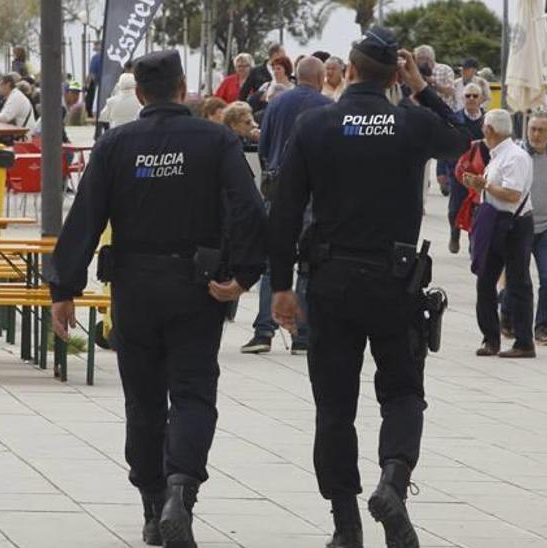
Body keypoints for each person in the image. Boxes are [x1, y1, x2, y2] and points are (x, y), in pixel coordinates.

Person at [47, 49, 265, 547]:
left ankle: (151, 504)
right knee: (192, 393)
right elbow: (251, 208)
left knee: (142, 400)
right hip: (198, 286)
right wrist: (246, 276)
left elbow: (85, 217)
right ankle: (180, 493)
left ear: (140, 94)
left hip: (135, 288)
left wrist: (64, 289)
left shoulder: (116, 144)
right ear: (183, 86)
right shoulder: (215, 140)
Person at [269, 27, 468, 548]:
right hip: (394, 282)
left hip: (330, 282)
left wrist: (282, 284)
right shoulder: (412, 123)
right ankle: (393, 482)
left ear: (349, 71)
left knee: (334, 406)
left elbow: (286, 210)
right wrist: (421, 85)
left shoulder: (315, 124)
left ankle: (346, 525)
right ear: (393, 75)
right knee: (402, 392)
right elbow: (462, 138)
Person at [240, 57, 332, 356]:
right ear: (319, 79)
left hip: (277, 187)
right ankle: (301, 334)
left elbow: (264, 147)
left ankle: (263, 331)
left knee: (273, 261)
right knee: (307, 262)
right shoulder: (327, 107)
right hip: (313, 190)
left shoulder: (277, 103)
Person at [462, 110, 536, 358]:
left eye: (484, 127)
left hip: (514, 225)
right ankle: (490, 339)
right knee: (485, 279)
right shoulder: (497, 156)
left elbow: (512, 194)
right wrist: (477, 185)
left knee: (518, 282)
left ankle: (524, 341)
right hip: (494, 220)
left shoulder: (515, 157)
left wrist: (486, 186)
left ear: (491, 130)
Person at [501, 112, 547, 346]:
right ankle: (507, 316)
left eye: (542, 130)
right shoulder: (517, 155)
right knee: (516, 279)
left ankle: (542, 327)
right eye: (533, 129)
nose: (537, 135)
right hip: (520, 225)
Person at [444, 83, 485, 254]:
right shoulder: (455, 119)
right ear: (463, 98)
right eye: (468, 96)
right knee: (455, 208)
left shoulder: (488, 120)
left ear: (481, 99)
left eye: (475, 96)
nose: (472, 99)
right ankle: (454, 234)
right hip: (459, 171)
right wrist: (442, 172)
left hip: (481, 173)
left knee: (476, 210)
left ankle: (472, 242)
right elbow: (445, 145)